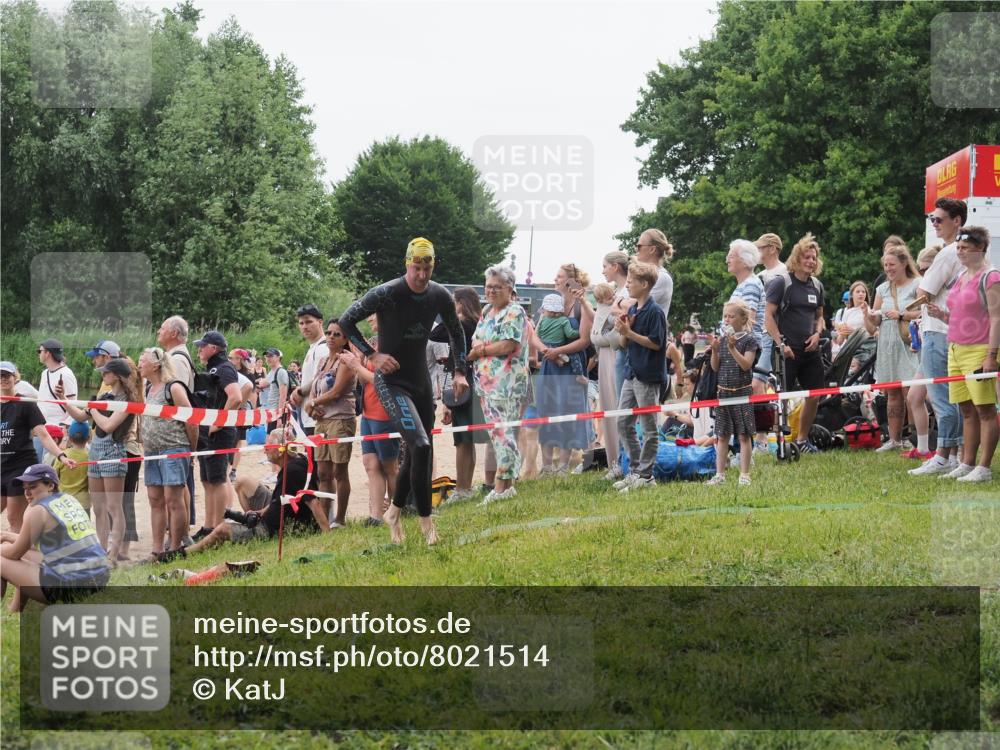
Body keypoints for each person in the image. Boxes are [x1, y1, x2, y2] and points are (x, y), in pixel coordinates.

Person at [338, 237, 468, 546]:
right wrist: (372, 355)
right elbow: (346, 321)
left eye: (427, 268)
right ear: (407, 264)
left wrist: (460, 371)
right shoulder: (386, 292)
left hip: (420, 383)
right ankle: (426, 523)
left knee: (420, 449)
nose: (422, 275)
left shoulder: (439, 295)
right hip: (392, 382)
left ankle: (394, 511)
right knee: (421, 446)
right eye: (416, 268)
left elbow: (456, 331)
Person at [177, 431, 328, 557]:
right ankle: (249, 526)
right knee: (242, 482)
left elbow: (314, 502)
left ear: (281, 449)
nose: (265, 450)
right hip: (275, 518)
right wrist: (258, 513)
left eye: (268, 446)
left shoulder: (293, 471)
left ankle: (186, 553)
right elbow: (278, 500)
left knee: (222, 530)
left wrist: (328, 538)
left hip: (272, 529)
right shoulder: (296, 462)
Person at [933, 226, 1000, 482]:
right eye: (958, 248)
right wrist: (943, 316)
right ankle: (967, 462)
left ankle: (984, 467)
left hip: (980, 349)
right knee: (966, 410)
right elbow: (963, 315)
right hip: (956, 348)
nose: (959, 252)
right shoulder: (962, 276)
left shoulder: (991, 277)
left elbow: (996, 319)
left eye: (964, 248)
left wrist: (991, 356)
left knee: (985, 410)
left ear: (980, 248)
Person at [909, 198, 967, 476]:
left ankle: (943, 455)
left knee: (942, 398)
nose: (934, 224)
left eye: (939, 219)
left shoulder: (947, 254)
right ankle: (954, 455)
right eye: (932, 219)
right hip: (954, 330)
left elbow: (925, 292)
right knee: (954, 398)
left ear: (957, 221)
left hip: (938, 330)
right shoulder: (966, 252)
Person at [0, 464, 109, 612]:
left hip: (69, 586)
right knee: (24, 555)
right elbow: (29, 545)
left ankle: (10, 614)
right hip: (98, 578)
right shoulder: (68, 499)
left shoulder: (37, 510)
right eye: (25, 488)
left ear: (51, 485)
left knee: (4, 560)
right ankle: (14, 613)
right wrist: (6, 536)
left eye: (32, 487)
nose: (27, 493)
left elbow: (15, 553)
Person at [61, 358, 136, 562]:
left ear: (117, 375)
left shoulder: (127, 401)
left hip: (113, 452)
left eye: (106, 372)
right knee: (98, 506)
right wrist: (64, 400)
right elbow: (79, 416)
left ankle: (113, 553)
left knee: (114, 506)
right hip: (95, 451)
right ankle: (101, 549)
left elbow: (109, 425)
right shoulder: (105, 396)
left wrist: (93, 408)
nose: (102, 375)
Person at [468, 265, 529, 505]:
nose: (491, 291)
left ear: (509, 289)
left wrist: (481, 350)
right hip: (485, 383)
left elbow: (508, 346)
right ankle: (506, 485)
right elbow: (475, 337)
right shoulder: (486, 310)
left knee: (503, 433)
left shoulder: (514, 312)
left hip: (506, 383)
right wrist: (479, 348)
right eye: (488, 286)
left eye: (497, 287)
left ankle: (503, 486)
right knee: (497, 433)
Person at [764, 233, 825, 453]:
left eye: (814, 258)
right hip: (786, 351)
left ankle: (802, 439)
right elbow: (768, 317)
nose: (811, 261)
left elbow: (820, 316)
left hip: (810, 350)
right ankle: (778, 441)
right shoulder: (782, 282)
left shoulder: (817, 286)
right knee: (781, 397)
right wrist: (781, 344)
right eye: (807, 257)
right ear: (797, 259)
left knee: (815, 394)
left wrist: (817, 334)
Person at [138, 347, 199, 559]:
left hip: (174, 448)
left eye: (142, 360)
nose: (139, 364)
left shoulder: (173, 387)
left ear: (155, 365)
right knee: (154, 499)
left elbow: (191, 419)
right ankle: (157, 549)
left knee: (174, 500)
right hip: (152, 451)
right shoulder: (148, 389)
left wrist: (192, 450)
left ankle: (174, 547)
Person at [612, 261, 667, 494]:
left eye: (631, 282)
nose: (628, 285)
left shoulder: (655, 312)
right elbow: (625, 343)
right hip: (631, 372)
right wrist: (623, 331)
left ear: (644, 285)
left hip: (647, 376)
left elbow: (656, 343)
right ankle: (635, 470)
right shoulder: (633, 309)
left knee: (649, 427)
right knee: (622, 422)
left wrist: (630, 333)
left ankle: (646, 475)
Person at [2, 361, 76, 532]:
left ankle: (21, 555)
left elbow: (43, 435)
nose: (3, 379)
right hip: (1, 466)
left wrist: (61, 456)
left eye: (7, 375)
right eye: (0, 376)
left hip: (19, 467)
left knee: (14, 518)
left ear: (15, 377)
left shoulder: (26, 403)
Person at [536, 263, 595, 473]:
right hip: (550, 365)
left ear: (571, 281)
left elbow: (584, 341)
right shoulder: (550, 304)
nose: (555, 280)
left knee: (568, 414)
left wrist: (558, 350)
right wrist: (545, 352)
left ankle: (562, 466)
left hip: (571, 367)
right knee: (547, 412)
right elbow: (537, 333)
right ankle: (546, 466)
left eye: (559, 277)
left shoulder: (581, 305)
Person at [863, 243, 922, 453]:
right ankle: (894, 439)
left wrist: (902, 315)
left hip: (908, 344)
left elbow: (925, 311)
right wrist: (868, 315)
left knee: (911, 392)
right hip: (887, 345)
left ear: (904, 263)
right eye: (886, 265)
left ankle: (916, 438)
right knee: (892, 393)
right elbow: (874, 323)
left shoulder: (917, 284)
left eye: (892, 264)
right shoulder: (882, 288)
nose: (888, 269)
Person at [432, 287, 488, 499]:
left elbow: (435, 333)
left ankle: (463, 489)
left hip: (464, 383)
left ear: (461, 304)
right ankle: (465, 486)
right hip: (472, 383)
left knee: (462, 440)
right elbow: (437, 335)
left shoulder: (463, 325)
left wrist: (452, 317)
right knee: (467, 439)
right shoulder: (476, 323)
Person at [301, 317, 356, 527]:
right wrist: (314, 409)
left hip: (341, 419)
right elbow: (317, 388)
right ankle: (324, 518)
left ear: (345, 339)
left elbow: (336, 391)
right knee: (322, 472)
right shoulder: (324, 360)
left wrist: (312, 403)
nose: (331, 337)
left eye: (337, 334)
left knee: (339, 472)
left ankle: (339, 519)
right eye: (330, 333)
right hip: (322, 421)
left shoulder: (347, 361)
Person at [339, 348, 399, 525]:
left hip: (384, 413)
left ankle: (397, 510)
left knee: (389, 466)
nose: (371, 319)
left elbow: (381, 381)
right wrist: (357, 363)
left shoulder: (389, 346)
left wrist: (356, 365)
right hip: (368, 412)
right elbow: (366, 382)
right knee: (370, 465)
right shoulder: (370, 349)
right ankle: (376, 516)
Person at [192, 330, 242, 540]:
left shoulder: (224, 367)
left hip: (219, 432)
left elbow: (236, 396)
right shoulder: (214, 367)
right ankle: (208, 526)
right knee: (207, 480)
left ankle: (218, 529)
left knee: (219, 480)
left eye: (202, 346)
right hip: (207, 431)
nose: (199, 349)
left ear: (214, 348)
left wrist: (218, 422)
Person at [706, 299, 760, 486]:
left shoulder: (749, 340)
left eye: (731, 316)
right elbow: (715, 367)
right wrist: (715, 351)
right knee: (722, 435)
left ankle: (744, 475)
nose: (727, 320)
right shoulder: (721, 340)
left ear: (743, 318)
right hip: (724, 393)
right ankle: (719, 475)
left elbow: (746, 364)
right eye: (725, 316)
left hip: (742, 394)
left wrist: (732, 348)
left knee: (744, 435)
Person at [902, 245, 945, 461]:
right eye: (920, 270)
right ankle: (924, 448)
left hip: (940, 345)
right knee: (914, 397)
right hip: (927, 344)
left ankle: (946, 451)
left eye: (927, 269)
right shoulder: (929, 286)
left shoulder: (940, 284)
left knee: (940, 402)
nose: (923, 274)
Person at [726, 239, 766, 451]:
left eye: (731, 255)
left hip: (744, 349)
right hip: (739, 347)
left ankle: (744, 448)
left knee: (740, 399)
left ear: (744, 261)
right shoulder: (744, 285)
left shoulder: (750, 285)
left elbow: (745, 322)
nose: (727, 259)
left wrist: (727, 340)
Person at [157, 315, 197, 525]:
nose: (158, 331)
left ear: (174, 333)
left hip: (175, 433)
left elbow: (177, 397)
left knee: (178, 486)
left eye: (162, 328)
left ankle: (180, 530)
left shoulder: (177, 360)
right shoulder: (172, 356)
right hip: (167, 433)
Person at [591, 282, 625, 478]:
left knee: (614, 404)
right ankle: (615, 459)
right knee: (608, 406)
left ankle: (619, 460)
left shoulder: (613, 305)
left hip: (612, 355)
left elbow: (600, 337)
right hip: (607, 354)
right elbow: (597, 337)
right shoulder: (606, 309)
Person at [34, 338, 77, 461]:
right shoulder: (44, 373)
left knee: (49, 469)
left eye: (40, 351)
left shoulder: (66, 374)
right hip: (41, 428)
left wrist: (64, 437)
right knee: (37, 466)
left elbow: (72, 406)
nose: (39, 354)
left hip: (56, 432)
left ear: (47, 353)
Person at [290, 304, 328, 436]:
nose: (304, 326)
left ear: (320, 322)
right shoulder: (313, 347)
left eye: (309, 321)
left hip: (319, 417)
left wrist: (299, 392)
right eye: (301, 323)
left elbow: (322, 378)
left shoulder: (323, 348)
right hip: (310, 417)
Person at [537, 293, 586, 384]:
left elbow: (538, 333)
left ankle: (558, 360)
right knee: (574, 356)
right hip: (558, 346)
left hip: (545, 345)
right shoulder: (563, 320)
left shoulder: (543, 319)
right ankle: (579, 375)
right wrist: (579, 331)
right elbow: (570, 334)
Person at [602, 250, 631, 396]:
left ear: (615, 266)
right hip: (620, 348)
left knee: (623, 401)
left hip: (625, 349)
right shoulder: (618, 291)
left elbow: (625, 316)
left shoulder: (627, 290)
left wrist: (613, 310)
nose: (603, 271)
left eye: (605, 266)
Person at [833, 281, 875, 373]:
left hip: (865, 348)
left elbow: (872, 332)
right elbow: (840, 341)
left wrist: (854, 332)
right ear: (851, 295)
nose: (861, 294)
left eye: (863, 292)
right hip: (850, 348)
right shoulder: (847, 312)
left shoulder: (869, 310)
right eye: (858, 291)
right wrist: (841, 334)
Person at [55, 420, 91, 517]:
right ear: (88, 438)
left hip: (64, 502)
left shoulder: (63, 456)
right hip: (83, 503)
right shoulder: (91, 457)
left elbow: (54, 477)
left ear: (70, 438)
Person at [260, 348, 289, 433]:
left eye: (271, 356)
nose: (267, 359)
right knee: (272, 441)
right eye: (266, 356)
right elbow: (263, 383)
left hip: (277, 412)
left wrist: (280, 417)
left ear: (278, 358)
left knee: (275, 441)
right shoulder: (272, 371)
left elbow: (283, 396)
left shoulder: (281, 372)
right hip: (272, 412)